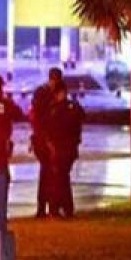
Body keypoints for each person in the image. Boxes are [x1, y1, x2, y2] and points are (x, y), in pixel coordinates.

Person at [46, 83, 84, 218]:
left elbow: (51, 129)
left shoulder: (56, 109)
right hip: (69, 147)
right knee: (63, 178)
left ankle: (58, 208)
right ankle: (64, 208)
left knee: (59, 178)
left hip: (61, 148)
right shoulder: (73, 107)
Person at [29, 67, 63, 217]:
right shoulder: (43, 94)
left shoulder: (44, 92)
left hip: (45, 139)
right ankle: (46, 208)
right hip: (44, 140)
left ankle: (48, 207)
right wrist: (47, 140)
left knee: (49, 174)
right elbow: (40, 119)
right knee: (48, 174)